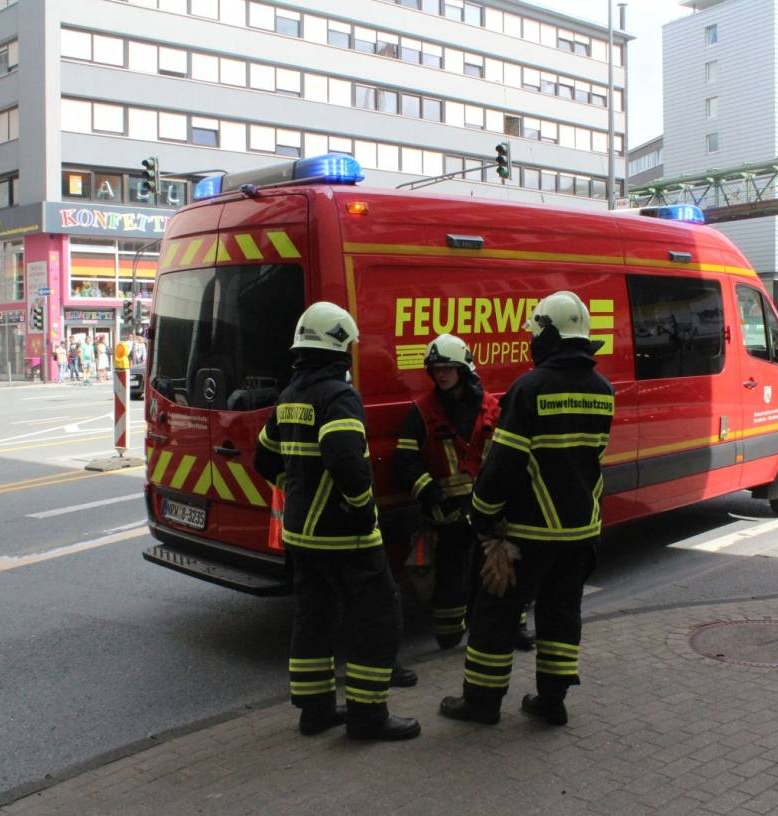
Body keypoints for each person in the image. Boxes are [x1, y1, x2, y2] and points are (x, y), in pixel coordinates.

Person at [440, 290, 615, 728]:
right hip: (580, 533)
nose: (531, 342)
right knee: (560, 614)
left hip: (527, 534)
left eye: (535, 334)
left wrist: (480, 515)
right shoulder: (602, 390)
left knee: (494, 618)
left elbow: (503, 465)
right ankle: (551, 702)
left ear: (549, 336)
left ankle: (481, 704)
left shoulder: (529, 388)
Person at [253, 301, 420, 742]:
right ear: (340, 348)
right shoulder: (338, 396)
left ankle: (316, 711)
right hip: (344, 535)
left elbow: (263, 458)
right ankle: (368, 716)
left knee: (314, 619)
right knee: (377, 618)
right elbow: (348, 461)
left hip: (301, 535)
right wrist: (363, 510)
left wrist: (300, 491)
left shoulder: (290, 396)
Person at [393, 334, 499, 651]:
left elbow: (508, 456)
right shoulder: (422, 412)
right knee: (451, 575)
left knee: (494, 571)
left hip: (486, 508)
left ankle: (501, 628)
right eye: (436, 369)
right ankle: (450, 635)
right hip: (447, 512)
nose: (441, 374)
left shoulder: (491, 407)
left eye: (448, 368)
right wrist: (430, 494)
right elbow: (405, 461)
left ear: (463, 369)